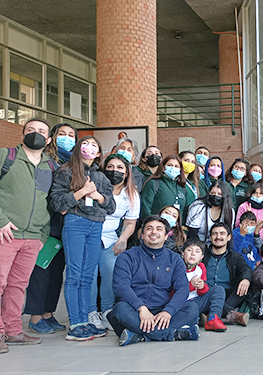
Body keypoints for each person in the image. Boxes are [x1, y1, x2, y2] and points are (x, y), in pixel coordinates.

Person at [0, 118, 55, 353]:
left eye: (41, 131)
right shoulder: (3, 156)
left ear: (48, 140)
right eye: (31, 130)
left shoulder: (49, 166)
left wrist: (42, 235)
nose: (36, 134)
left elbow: (47, 203)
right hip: (2, 234)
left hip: (32, 237)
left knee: (18, 285)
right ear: (22, 135)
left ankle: (13, 330)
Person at [50, 135, 116, 341]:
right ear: (78, 149)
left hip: (96, 225)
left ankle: (86, 321)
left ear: (98, 153)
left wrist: (98, 196)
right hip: (75, 223)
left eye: (94, 145)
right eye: (85, 144)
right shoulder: (65, 172)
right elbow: (57, 202)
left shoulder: (102, 177)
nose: (89, 148)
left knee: (88, 276)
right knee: (74, 275)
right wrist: (82, 192)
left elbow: (111, 206)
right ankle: (75, 323)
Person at [110, 215, 200, 345]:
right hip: (135, 310)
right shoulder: (127, 257)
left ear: (165, 236)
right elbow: (120, 286)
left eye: (159, 229)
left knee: (192, 308)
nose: (154, 232)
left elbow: (183, 289)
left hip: (162, 311)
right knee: (119, 310)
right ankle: (174, 334)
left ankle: (141, 336)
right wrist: (141, 308)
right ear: (142, 234)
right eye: (149, 228)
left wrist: (168, 311)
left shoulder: (175, 259)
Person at [24, 123, 76, 335]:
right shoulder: (46, 162)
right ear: (52, 138)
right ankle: (35, 317)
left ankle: (48, 313)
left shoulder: (73, 162)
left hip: (65, 229)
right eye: (62, 134)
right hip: (46, 227)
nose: (67, 138)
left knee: (56, 274)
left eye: (71, 135)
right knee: (41, 273)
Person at [90, 153, 140, 332]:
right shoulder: (95, 185)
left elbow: (130, 222)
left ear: (126, 173)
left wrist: (123, 239)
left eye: (120, 168)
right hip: (89, 234)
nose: (114, 171)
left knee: (111, 274)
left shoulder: (131, 194)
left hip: (111, 238)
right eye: (110, 167)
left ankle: (107, 311)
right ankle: (90, 313)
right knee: (90, 275)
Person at [203, 222, 252, 326]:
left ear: (229, 237)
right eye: (214, 234)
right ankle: (233, 315)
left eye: (222, 233)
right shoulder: (202, 254)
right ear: (210, 238)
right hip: (206, 293)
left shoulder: (235, 256)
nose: (218, 237)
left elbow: (246, 269)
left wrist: (246, 280)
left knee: (243, 287)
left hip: (228, 295)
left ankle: (211, 315)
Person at [181, 238, 227, 332]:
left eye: (197, 251)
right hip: (182, 304)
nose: (193, 254)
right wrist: (190, 285)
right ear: (182, 253)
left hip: (196, 301)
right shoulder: (178, 266)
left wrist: (202, 286)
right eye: (189, 250)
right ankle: (197, 319)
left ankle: (213, 318)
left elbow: (203, 291)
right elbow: (173, 292)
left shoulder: (200, 267)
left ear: (201, 257)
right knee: (191, 315)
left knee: (218, 290)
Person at [140, 155, 196, 223]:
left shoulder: (183, 187)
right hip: (156, 228)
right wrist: (152, 224)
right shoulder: (153, 183)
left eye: (176, 166)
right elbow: (145, 207)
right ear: (163, 167)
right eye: (170, 165)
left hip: (176, 230)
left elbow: (185, 212)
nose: (173, 168)